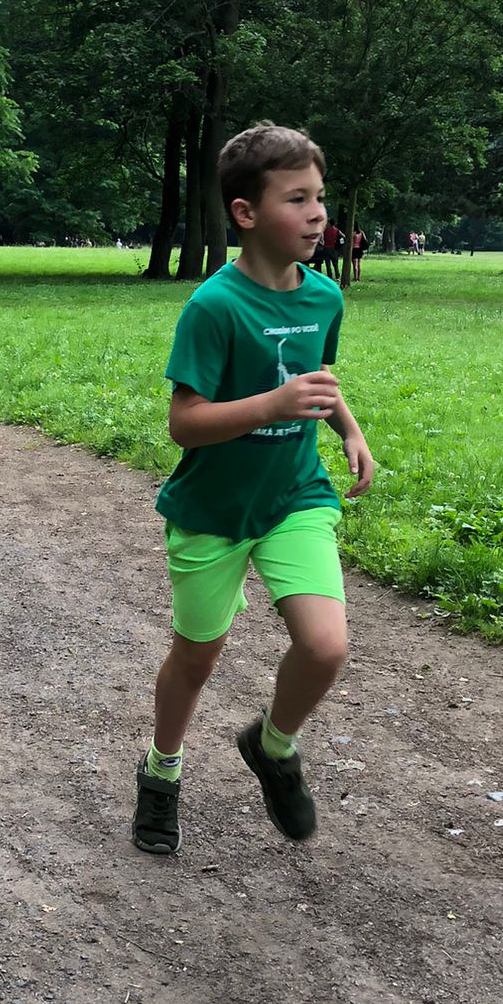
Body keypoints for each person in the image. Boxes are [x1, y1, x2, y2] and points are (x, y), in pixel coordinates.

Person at [132, 123, 376, 857]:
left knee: (325, 645)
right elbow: (185, 424)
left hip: (295, 495)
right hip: (214, 510)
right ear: (245, 212)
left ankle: (272, 746)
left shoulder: (324, 297)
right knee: (196, 659)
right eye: (296, 199)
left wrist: (349, 430)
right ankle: (162, 771)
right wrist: (271, 406)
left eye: (319, 197)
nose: (317, 214)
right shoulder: (215, 306)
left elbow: (318, 380)